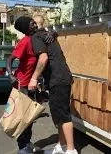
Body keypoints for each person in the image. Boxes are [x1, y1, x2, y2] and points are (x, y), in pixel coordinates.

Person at [6, 16, 55, 154]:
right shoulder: (26, 41)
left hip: (31, 84)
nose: (35, 25)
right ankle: (23, 147)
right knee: (24, 117)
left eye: (35, 23)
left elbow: (50, 33)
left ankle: (26, 143)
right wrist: (10, 75)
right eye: (32, 23)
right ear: (26, 28)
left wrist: (52, 33)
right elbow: (10, 59)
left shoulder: (36, 38)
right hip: (22, 84)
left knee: (30, 117)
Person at [29, 15, 77, 154]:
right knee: (58, 114)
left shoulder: (37, 37)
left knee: (63, 114)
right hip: (60, 79)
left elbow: (43, 59)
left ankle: (71, 150)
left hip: (58, 79)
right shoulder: (47, 36)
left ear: (34, 25)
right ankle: (61, 146)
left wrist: (34, 78)